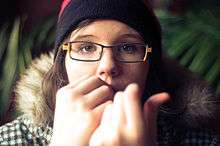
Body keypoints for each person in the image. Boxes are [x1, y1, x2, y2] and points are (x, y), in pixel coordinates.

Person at [0, 0, 219, 145]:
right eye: (86, 47)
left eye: (128, 48)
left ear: (149, 65)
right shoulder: (12, 140)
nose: (107, 66)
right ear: (61, 62)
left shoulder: (201, 142)